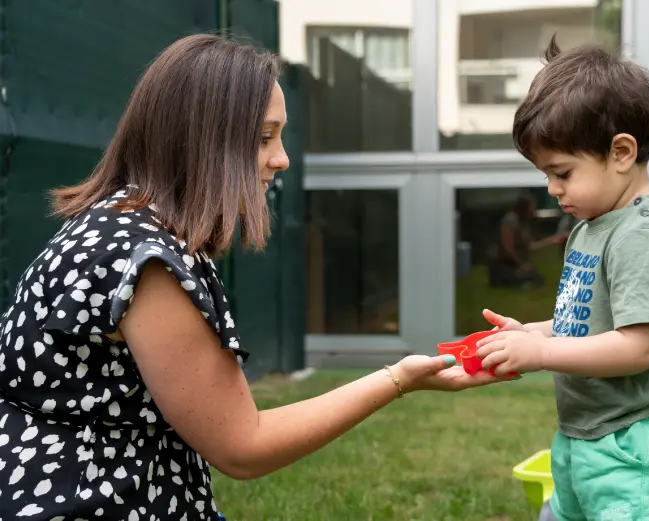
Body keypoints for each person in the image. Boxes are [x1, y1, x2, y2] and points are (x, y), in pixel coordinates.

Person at [0, 34, 514, 520]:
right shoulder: (146, 260)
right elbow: (243, 446)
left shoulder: (126, 225)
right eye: (265, 137)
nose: (281, 158)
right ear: (201, 141)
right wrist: (398, 380)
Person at [474, 36, 649, 520]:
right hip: (585, 434)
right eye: (546, 175)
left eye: (562, 172)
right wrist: (528, 333)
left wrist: (539, 353)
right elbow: (586, 325)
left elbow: (640, 347)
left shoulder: (643, 235)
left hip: (633, 442)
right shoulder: (592, 227)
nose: (552, 189)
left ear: (621, 152)